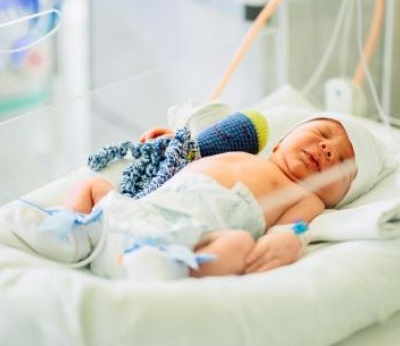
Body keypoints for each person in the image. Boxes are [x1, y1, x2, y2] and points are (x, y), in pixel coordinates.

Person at [12, 111, 391, 281]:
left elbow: (293, 229)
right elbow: (183, 156)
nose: (327, 150)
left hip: (190, 236)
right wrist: (168, 142)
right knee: (92, 187)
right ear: (282, 140)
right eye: (323, 134)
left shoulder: (307, 199)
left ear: (341, 195)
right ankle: (71, 230)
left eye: (343, 160)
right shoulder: (247, 154)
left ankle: (173, 266)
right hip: (140, 211)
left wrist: (286, 243)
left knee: (239, 244)